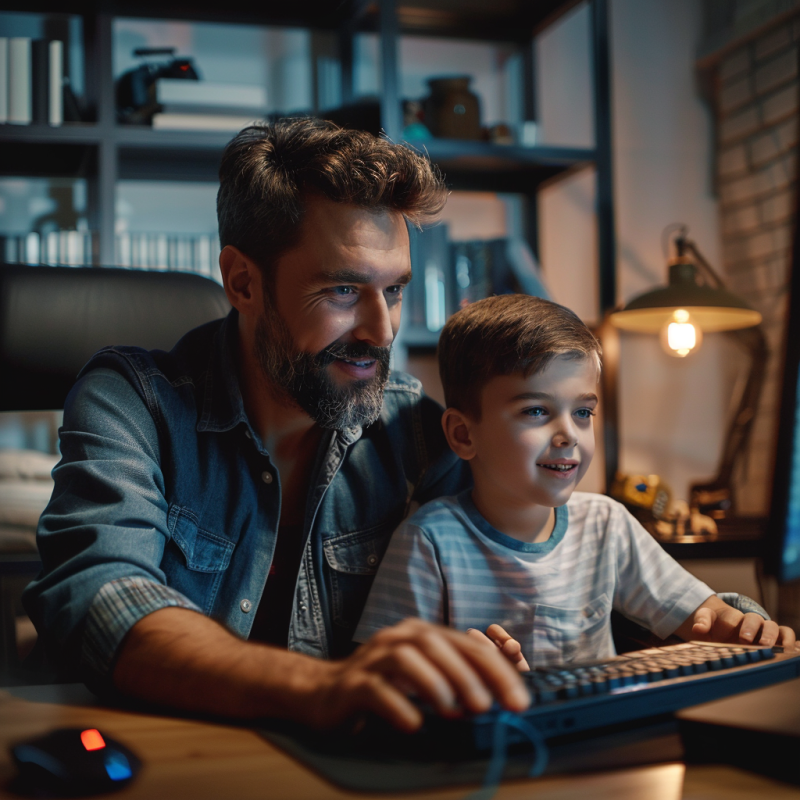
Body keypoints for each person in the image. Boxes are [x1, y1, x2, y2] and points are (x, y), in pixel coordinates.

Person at [22, 118, 530, 733]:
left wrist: (479, 651)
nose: (382, 330)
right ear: (243, 282)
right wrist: (321, 686)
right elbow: (100, 594)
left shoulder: (415, 430)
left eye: (393, 291)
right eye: (344, 290)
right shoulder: (132, 402)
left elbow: (487, 575)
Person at [355, 294, 797, 668]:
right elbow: (376, 676)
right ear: (463, 434)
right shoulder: (429, 542)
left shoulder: (606, 523)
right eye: (536, 411)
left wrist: (744, 626)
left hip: (605, 744)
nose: (568, 434)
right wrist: (459, 671)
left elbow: (703, 616)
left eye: (583, 412)